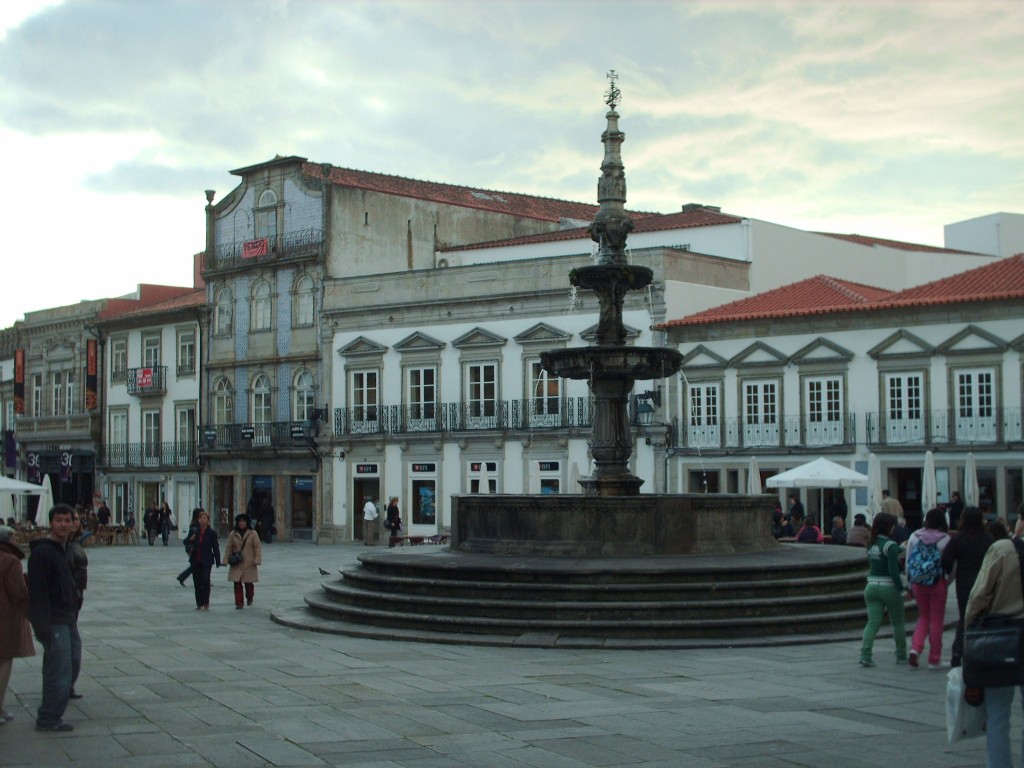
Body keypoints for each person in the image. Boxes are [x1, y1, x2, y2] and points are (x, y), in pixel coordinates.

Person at [965, 530, 1024, 768]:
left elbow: (979, 595)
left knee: (998, 715)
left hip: (1002, 637)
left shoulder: (1002, 550)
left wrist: (968, 628)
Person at [27, 504, 80, 732]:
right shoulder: (42, 553)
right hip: (54, 620)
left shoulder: (65, 549)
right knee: (58, 669)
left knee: (72, 663)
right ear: (51, 523)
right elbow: (37, 592)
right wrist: (43, 627)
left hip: (68, 618)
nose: (63, 524)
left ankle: (53, 712)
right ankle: (48, 717)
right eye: (59, 520)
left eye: (67, 520)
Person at [942, 506, 994, 667]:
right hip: (984, 580)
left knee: (965, 616)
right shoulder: (988, 538)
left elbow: (946, 560)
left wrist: (951, 572)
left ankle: (958, 651)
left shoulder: (958, 538)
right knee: (983, 615)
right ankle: (983, 649)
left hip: (964, 582)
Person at [859, 512, 907, 667]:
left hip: (871, 586)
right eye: (893, 525)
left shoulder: (870, 544)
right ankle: (901, 655)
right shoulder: (890, 545)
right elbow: (893, 570)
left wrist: (900, 548)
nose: (894, 528)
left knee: (872, 623)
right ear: (889, 527)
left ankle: (865, 655)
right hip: (889, 588)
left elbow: (882, 555)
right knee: (898, 622)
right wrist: (902, 590)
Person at [905, 508, 950, 670]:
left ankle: (915, 648)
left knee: (923, 617)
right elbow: (951, 565)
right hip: (937, 583)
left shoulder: (914, 537)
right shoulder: (945, 539)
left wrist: (910, 585)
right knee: (936, 620)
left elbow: (908, 562)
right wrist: (947, 581)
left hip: (918, 582)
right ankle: (934, 658)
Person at [0, 525, 35, 725]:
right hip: (5, 619)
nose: (16, 540)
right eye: (13, 537)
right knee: (4, 660)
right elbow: (19, 593)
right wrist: (33, 616)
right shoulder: (10, 560)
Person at [66, 508, 89, 700]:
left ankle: (67, 686)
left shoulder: (74, 542)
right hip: (66, 600)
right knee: (70, 646)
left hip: (76, 598)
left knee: (71, 645)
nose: (74, 522)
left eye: (75, 519)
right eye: (70, 519)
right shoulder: (63, 545)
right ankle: (63, 686)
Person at [224, 514, 262, 609]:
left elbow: (257, 547)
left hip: (249, 563)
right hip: (237, 562)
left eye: (243, 521)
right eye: (240, 521)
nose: (241, 523)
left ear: (247, 522)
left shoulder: (253, 533)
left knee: (248, 583)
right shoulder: (233, 534)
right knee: (237, 583)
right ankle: (239, 602)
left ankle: (250, 597)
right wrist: (225, 559)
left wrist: (257, 559)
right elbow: (228, 548)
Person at [189, 510, 222, 610]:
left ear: (208, 520)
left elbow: (215, 547)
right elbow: (186, 542)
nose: (202, 520)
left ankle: (206, 602)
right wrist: (191, 539)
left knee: (205, 580)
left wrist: (218, 560)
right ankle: (199, 603)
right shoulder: (194, 531)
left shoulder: (212, 533)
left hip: (207, 559)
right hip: (195, 559)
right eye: (200, 518)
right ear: (198, 520)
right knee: (197, 582)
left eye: (204, 518)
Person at [177, 508, 202, 586]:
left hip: (198, 549)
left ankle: (181, 577)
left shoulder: (198, 525)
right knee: (195, 566)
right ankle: (181, 577)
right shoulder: (194, 527)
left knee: (196, 567)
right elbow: (186, 540)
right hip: (195, 549)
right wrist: (191, 539)